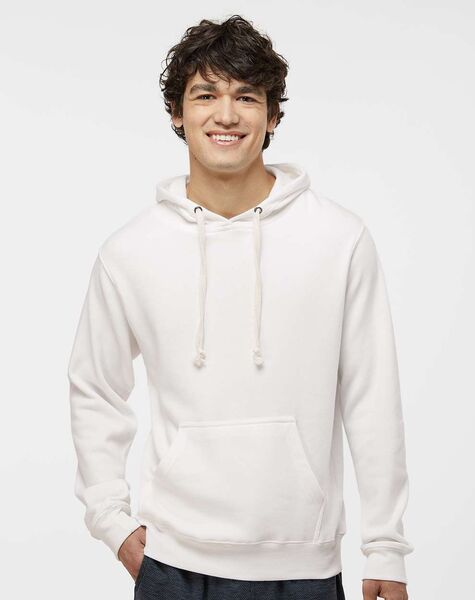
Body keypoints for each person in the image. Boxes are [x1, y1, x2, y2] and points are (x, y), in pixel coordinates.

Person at [67, 14, 414, 600]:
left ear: (273, 116)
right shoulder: (130, 252)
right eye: (205, 95)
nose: (226, 115)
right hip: (173, 565)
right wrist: (111, 520)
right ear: (177, 113)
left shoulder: (339, 239)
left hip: (304, 569)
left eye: (246, 97)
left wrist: (386, 547)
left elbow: (371, 396)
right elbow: (94, 387)